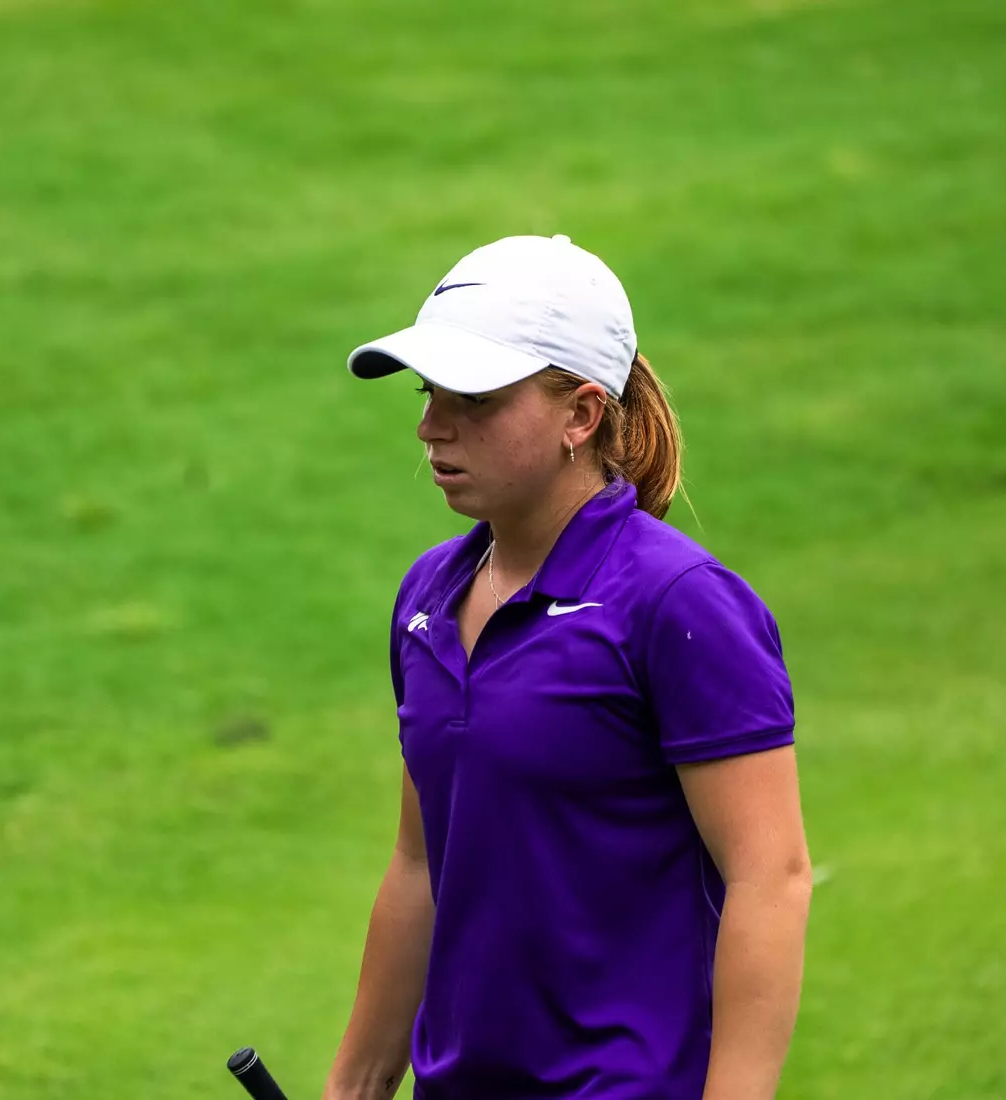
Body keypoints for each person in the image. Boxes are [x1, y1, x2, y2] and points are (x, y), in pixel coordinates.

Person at [321, 235, 812, 1100]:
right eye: (428, 391)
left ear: (580, 415)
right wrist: (352, 1087)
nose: (432, 425)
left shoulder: (679, 604)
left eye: (472, 396)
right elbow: (420, 865)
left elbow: (768, 878)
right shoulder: (427, 598)